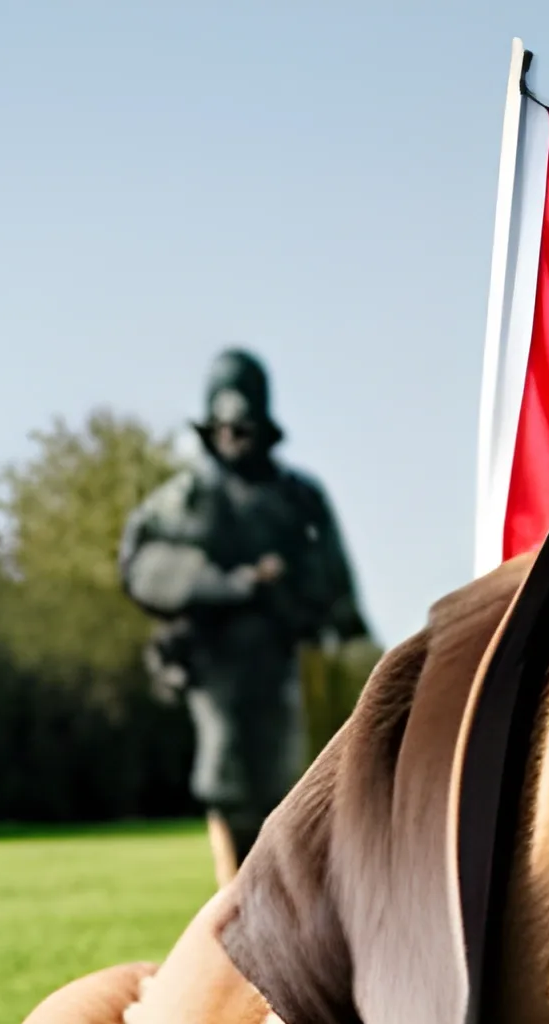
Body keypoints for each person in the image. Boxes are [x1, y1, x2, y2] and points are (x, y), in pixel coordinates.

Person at [120, 349, 365, 886]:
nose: (236, 437)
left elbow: (335, 581)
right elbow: (140, 565)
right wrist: (228, 584)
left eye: (245, 426)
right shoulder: (186, 499)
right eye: (226, 427)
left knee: (290, 784)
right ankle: (232, 896)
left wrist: (321, 612)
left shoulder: (297, 498)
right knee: (227, 780)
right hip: (216, 662)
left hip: (283, 660)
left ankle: (286, 903)